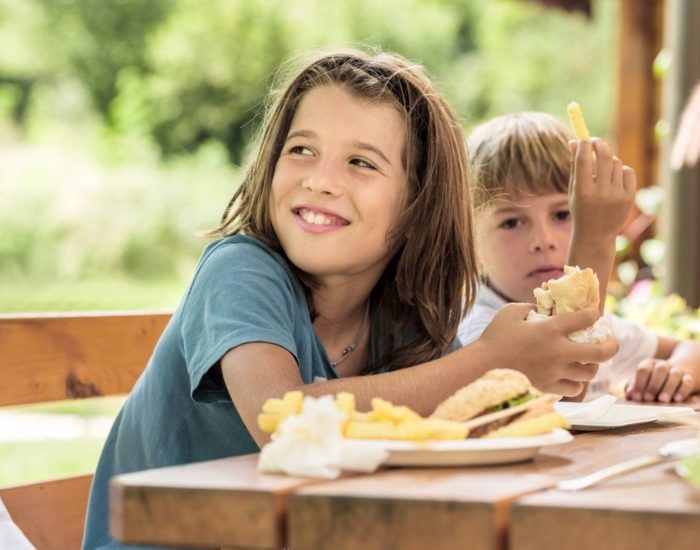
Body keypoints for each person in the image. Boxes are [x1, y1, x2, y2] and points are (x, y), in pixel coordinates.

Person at [83, 51, 617, 549]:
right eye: (302, 150)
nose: (320, 180)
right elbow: (280, 423)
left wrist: (530, 363)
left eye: (361, 162)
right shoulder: (239, 271)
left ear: (417, 202)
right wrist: (488, 361)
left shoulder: (405, 315)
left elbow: (482, 419)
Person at [458, 111, 700, 403]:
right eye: (512, 222)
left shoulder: (602, 324)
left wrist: (673, 372)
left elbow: (691, 351)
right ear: (470, 238)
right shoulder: (474, 329)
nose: (543, 241)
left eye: (562, 214)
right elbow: (566, 394)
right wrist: (594, 239)